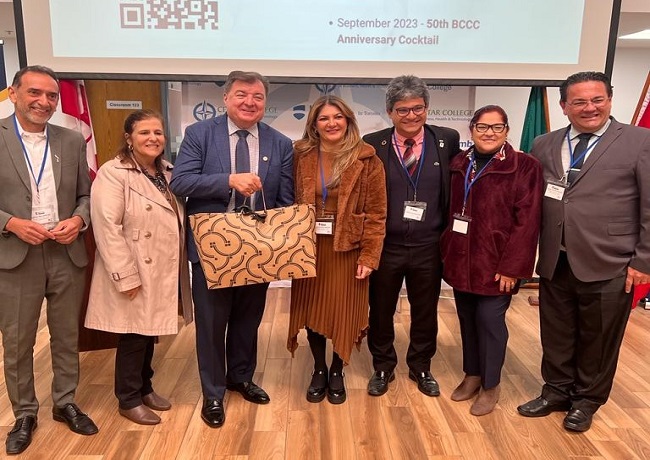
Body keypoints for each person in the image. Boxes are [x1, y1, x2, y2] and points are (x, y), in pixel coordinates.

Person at [517, 71, 650, 432]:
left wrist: (643, 260)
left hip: (612, 260)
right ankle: (556, 391)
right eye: (579, 102)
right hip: (555, 258)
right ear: (564, 106)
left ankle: (587, 400)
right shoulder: (544, 143)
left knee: (599, 338)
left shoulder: (640, 141)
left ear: (609, 99)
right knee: (556, 332)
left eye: (597, 100)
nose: (589, 108)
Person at [170, 71, 294, 428]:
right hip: (212, 248)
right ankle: (213, 392)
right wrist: (228, 181)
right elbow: (181, 182)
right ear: (225, 98)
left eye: (257, 96)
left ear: (265, 103)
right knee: (211, 324)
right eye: (241, 94)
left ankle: (240, 377)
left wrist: (277, 244)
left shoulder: (280, 143)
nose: (249, 102)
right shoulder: (199, 134)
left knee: (247, 319)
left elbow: (285, 199)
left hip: (257, 250)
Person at [0, 65, 98, 455]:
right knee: (18, 341)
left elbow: (86, 195)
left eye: (51, 95)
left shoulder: (71, 140)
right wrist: (10, 223)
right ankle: (25, 412)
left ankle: (65, 401)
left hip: (65, 251)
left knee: (66, 335)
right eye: (35, 93)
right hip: (15, 255)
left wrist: (79, 220)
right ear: (13, 93)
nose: (44, 102)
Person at [84, 109, 193, 425]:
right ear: (129, 138)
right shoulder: (113, 172)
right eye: (144, 132)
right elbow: (107, 227)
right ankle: (128, 398)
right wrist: (125, 275)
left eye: (158, 132)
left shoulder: (168, 172)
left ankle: (145, 387)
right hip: (133, 266)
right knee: (133, 335)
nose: (153, 138)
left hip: (161, 267)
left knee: (149, 332)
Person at [440, 105, 543, 416]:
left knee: (489, 321)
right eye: (482, 127)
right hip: (462, 259)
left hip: (497, 264)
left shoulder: (524, 166)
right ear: (472, 129)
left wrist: (513, 267)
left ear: (507, 131)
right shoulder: (459, 163)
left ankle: (491, 384)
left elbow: (528, 223)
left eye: (497, 127)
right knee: (467, 319)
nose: (489, 133)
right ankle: (472, 374)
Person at [363, 75, 461, 397]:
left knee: (425, 310)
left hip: (428, 245)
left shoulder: (446, 139)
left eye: (418, 108)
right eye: (403, 110)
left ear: (427, 108)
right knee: (381, 310)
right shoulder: (372, 143)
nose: (411, 116)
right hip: (386, 246)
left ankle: (421, 366)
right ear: (390, 112)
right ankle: (383, 366)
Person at [287, 95, 387, 404]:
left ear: (348, 121)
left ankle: (336, 369)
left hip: (348, 248)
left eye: (338, 117)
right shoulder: (301, 155)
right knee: (312, 307)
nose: (332, 123)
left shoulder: (367, 159)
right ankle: (318, 368)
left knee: (342, 310)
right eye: (324, 118)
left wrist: (370, 256)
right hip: (308, 246)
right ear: (314, 125)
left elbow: (377, 213)